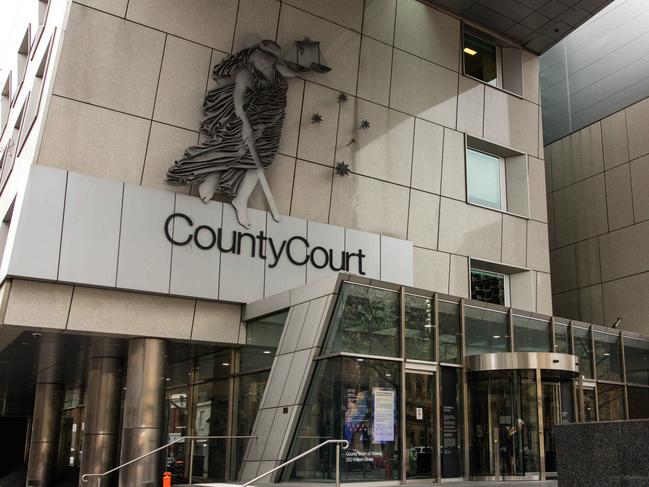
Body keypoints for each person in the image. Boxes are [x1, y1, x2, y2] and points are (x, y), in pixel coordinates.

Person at [166, 40, 288, 228]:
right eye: (265, 55)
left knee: (262, 160)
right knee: (233, 150)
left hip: (271, 125)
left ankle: (241, 199)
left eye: (272, 57)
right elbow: (238, 102)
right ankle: (210, 182)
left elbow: (281, 100)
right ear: (258, 52)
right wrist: (247, 126)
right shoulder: (246, 72)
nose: (268, 59)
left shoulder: (279, 77)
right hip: (248, 118)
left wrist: (265, 126)